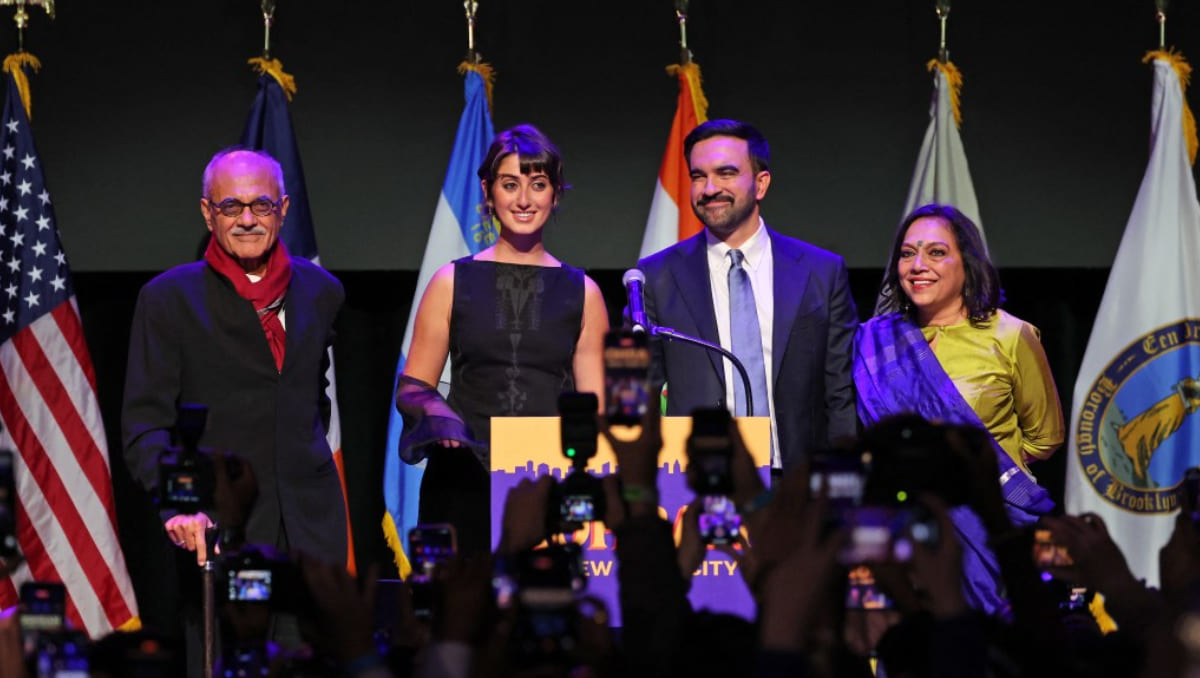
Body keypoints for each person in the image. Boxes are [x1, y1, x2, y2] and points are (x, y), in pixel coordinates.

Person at [121, 148, 348, 662]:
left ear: (283, 209)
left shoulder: (322, 292)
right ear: (208, 213)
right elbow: (145, 423)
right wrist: (179, 504)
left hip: (311, 532)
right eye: (231, 207)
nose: (247, 219)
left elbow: (316, 401)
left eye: (261, 206)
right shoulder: (168, 298)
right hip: (220, 532)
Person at [398, 124, 608, 554]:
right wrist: (441, 418)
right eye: (510, 185)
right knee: (458, 617)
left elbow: (595, 408)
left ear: (555, 193)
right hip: (462, 482)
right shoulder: (450, 281)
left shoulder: (583, 292)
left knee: (539, 618)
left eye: (538, 185)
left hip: (546, 487)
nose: (524, 200)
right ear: (488, 191)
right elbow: (413, 388)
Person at [853, 202, 1064, 615]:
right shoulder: (872, 342)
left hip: (987, 528)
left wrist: (978, 472)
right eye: (908, 253)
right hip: (900, 531)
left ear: (966, 263)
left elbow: (1046, 437)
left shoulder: (1011, 335)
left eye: (936, 252)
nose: (918, 265)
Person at [637, 118, 858, 471]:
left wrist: (844, 483)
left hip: (799, 485)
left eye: (725, 173)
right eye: (698, 176)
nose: (709, 188)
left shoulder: (821, 272)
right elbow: (643, 396)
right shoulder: (656, 277)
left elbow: (840, 393)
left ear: (760, 183)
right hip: (699, 481)